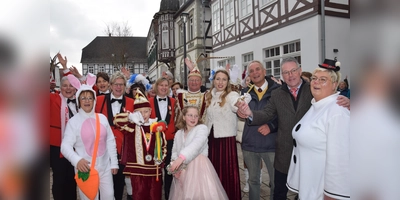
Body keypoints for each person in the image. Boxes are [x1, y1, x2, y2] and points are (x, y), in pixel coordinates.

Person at [237, 57, 350, 200]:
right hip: (284, 154)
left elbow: (340, 155)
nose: (290, 75)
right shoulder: (277, 93)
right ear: (282, 75)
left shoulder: (313, 90)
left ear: (300, 71)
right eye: (285, 72)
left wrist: (349, 102)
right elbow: (267, 113)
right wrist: (250, 113)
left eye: (293, 71)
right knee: (280, 193)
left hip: (310, 157)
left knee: (307, 191)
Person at [286, 59, 350, 199]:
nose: (316, 82)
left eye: (323, 80)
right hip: (310, 184)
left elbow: (340, 161)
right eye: (314, 78)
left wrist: (332, 195)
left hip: (321, 191)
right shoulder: (317, 105)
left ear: (334, 85)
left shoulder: (337, 112)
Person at [61, 73, 118, 200]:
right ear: (78, 101)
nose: (87, 101)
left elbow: (110, 141)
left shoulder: (102, 118)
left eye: (90, 98)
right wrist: (77, 160)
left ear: (94, 100)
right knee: (89, 198)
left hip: (105, 168)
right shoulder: (73, 122)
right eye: (83, 98)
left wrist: (114, 163)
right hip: (85, 170)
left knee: (109, 196)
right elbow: (65, 146)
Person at [113, 89, 167, 200]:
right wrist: (130, 117)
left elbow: (163, 146)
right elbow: (116, 121)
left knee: (155, 196)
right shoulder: (132, 126)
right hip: (137, 171)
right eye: (139, 112)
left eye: (146, 111)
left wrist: (161, 158)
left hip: (154, 170)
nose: (143, 115)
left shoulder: (156, 126)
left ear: (150, 111)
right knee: (139, 196)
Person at [238, 60, 280, 200]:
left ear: (264, 71)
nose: (255, 73)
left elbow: (284, 115)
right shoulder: (244, 93)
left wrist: (271, 126)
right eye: (251, 71)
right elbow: (241, 112)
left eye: (258, 69)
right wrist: (240, 113)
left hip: (271, 144)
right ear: (248, 75)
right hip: (250, 143)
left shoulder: (278, 91)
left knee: (275, 182)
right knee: (253, 181)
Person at [168, 106, 228, 200]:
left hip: (199, 167)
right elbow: (175, 150)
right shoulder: (179, 133)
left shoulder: (202, 129)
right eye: (190, 115)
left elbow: (196, 145)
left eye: (196, 116)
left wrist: (181, 158)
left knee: (198, 193)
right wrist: (175, 165)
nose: (193, 118)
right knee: (183, 193)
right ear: (183, 117)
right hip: (182, 168)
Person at [95, 71, 135, 200]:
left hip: (123, 149)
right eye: (116, 84)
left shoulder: (132, 103)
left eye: (122, 85)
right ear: (110, 86)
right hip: (103, 149)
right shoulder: (99, 100)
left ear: (125, 87)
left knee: (119, 183)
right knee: (102, 183)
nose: (119, 87)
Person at [205, 68, 242, 200]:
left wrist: (241, 104)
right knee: (213, 171)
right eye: (218, 79)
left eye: (224, 79)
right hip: (211, 139)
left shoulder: (231, 95)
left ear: (228, 82)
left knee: (227, 172)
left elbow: (236, 103)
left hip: (225, 140)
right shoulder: (209, 95)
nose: (220, 82)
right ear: (213, 81)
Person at [50, 52, 79, 200]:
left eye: (70, 86)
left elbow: (86, 86)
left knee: (72, 178)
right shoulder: (53, 99)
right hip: (57, 146)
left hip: (75, 146)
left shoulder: (80, 101)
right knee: (59, 178)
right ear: (60, 87)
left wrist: (66, 68)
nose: (68, 89)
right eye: (64, 86)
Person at [148, 77, 176, 200]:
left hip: (170, 141)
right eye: (161, 85)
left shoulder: (174, 102)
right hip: (154, 142)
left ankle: (169, 195)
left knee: (169, 171)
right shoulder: (148, 102)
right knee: (155, 171)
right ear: (156, 87)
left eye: (166, 85)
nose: (164, 87)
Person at [174, 58, 208, 122]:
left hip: (202, 129)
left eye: (197, 80)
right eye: (191, 80)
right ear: (188, 82)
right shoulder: (180, 97)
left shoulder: (206, 96)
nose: (194, 82)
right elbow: (177, 117)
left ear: (201, 83)